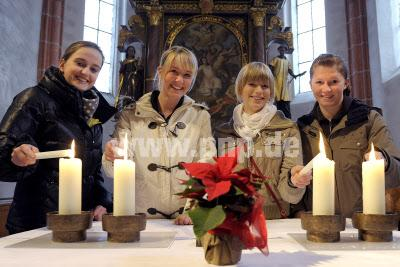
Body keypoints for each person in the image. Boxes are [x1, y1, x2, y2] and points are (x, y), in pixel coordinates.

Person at [0, 41, 117, 234]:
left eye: (94, 69)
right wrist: (18, 158)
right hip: (37, 221)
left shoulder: (93, 113)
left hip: (80, 222)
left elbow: (92, 171)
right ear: (62, 64)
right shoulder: (34, 98)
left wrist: (101, 201)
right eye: (80, 63)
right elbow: (4, 149)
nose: (86, 72)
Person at [102, 46, 216, 225]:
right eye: (174, 72)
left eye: (187, 75)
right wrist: (113, 155)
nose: (179, 80)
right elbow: (118, 167)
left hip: (185, 220)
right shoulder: (131, 115)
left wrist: (195, 208)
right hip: (140, 218)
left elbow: (206, 163)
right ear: (160, 72)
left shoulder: (200, 116)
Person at [291, 54, 400, 218]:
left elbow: (397, 173)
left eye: (334, 82)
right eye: (319, 82)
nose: (326, 89)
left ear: (346, 83)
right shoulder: (302, 127)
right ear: (311, 85)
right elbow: (294, 179)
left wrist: (384, 160)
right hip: (320, 226)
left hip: (363, 225)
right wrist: (297, 206)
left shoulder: (369, 119)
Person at [214, 62, 312, 219]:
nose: (259, 91)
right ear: (240, 89)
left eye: (265, 86)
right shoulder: (224, 132)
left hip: (273, 220)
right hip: (234, 220)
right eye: (252, 84)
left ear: (271, 91)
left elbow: (291, 195)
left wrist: (293, 181)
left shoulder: (287, 129)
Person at [269, 45, 306, 119]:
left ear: (285, 51)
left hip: (284, 82)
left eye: (283, 50)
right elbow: (270, 68)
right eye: (281, 50)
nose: (282, 51)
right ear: (279, 51)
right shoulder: (275, 59)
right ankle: (279, 115)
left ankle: (287, 117)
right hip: (277, 81)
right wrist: (271, 76)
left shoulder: (287, 61)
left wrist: (294, 75)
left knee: (285, 99)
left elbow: (289, 70)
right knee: (278, 98)